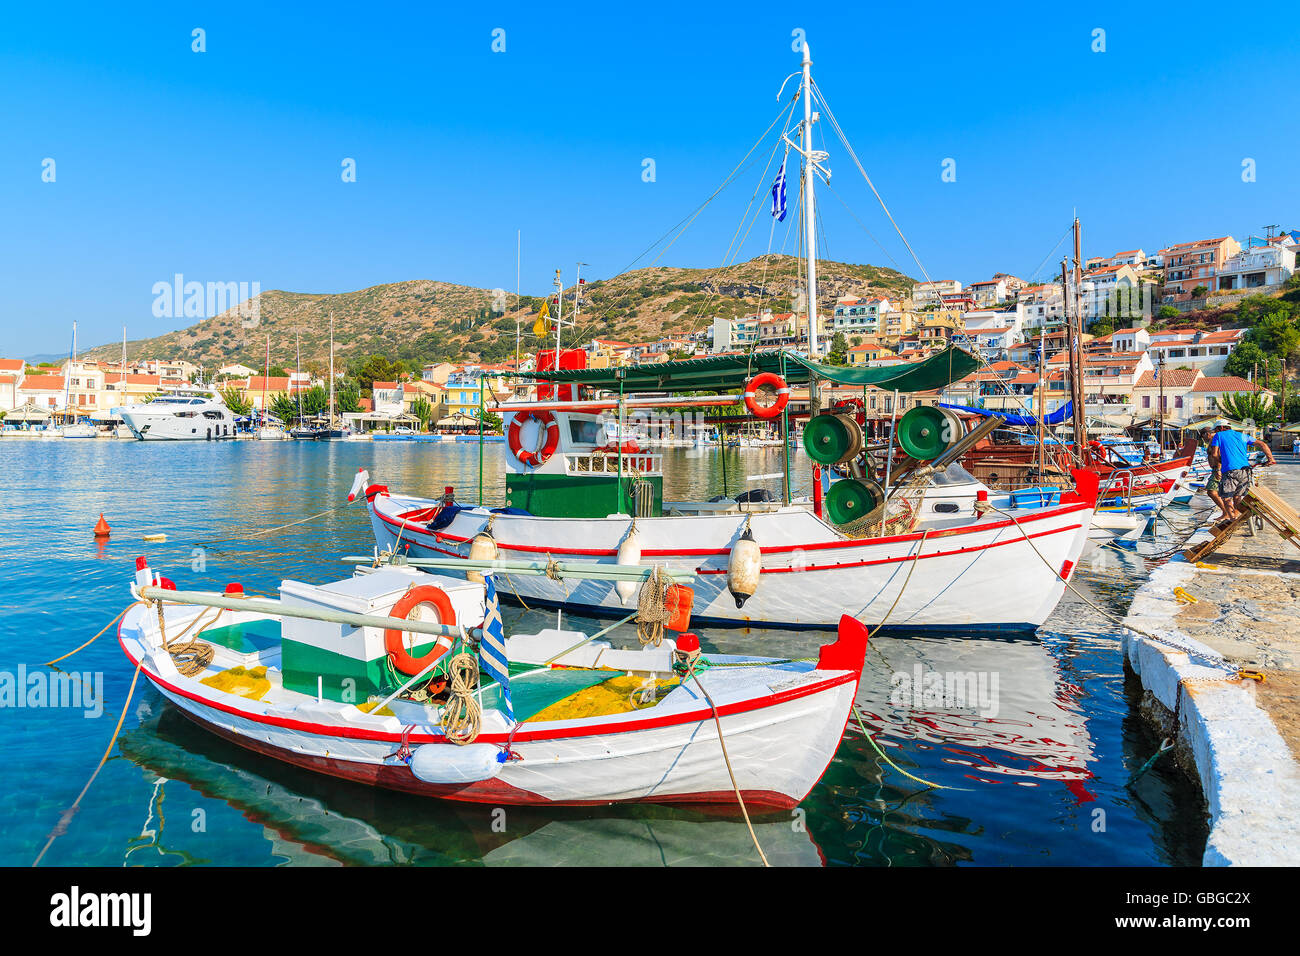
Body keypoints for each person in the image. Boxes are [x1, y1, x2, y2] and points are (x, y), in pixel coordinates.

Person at [1208, 425, 1276, 524]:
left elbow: (1214, 454)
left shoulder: (1219, 435)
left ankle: (1233, 520)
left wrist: (1223, 462)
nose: (1215, 431)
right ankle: (1240, 515)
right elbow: (1262, 444)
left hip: (1230, 470)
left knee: (1226, 497)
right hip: (1245, 470)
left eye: (1216, 429)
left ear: (1221, 428)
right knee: (1237, 496)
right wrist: (1270, 459)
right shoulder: (1242, 435)